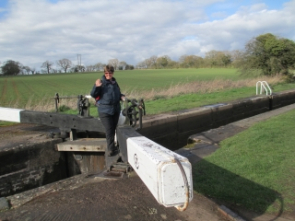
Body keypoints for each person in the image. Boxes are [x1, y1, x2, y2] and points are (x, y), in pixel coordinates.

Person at [90, 65, 125, 156]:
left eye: (110, 73)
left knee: (114, 128)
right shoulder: (101, 83)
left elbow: (117, 93)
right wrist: (96, 86)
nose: (108, 74)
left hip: (115, 109)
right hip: (104, 110)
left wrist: (121, 96)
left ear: (113, 73)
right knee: (109, 130)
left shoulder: (114, 82)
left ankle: (116, 146)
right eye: (106, 73)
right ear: (104, 73)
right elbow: (93, 94)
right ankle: (110, 149)